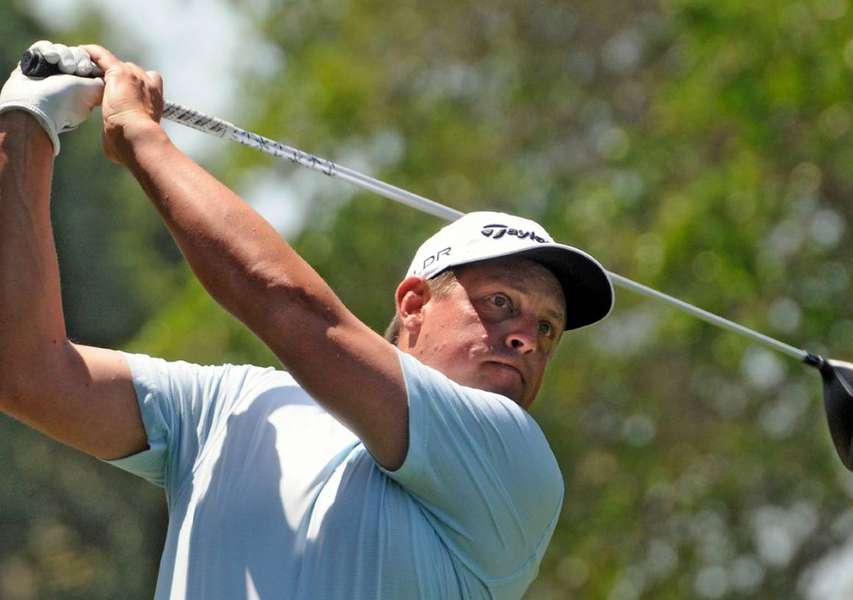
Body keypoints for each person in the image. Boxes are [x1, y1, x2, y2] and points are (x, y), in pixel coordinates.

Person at [0, 41, 615, 599]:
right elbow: (28, 371)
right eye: (503, 303)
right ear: (414, 304)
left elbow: (285, 306)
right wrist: (26, 124)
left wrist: (139, 135)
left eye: (548, 329)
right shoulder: (232, 405)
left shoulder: (511, 460)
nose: (526, 338)